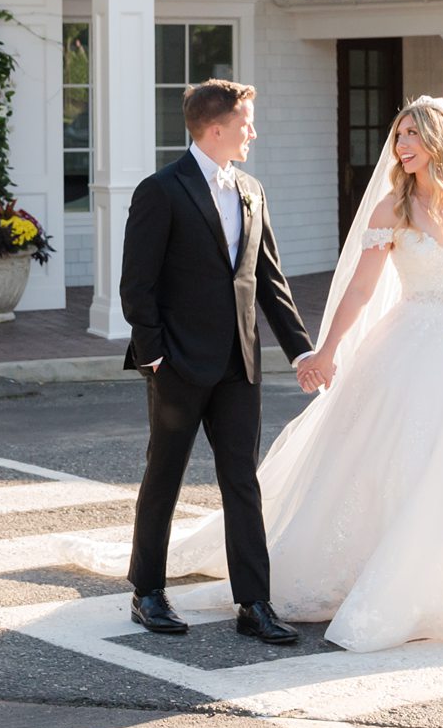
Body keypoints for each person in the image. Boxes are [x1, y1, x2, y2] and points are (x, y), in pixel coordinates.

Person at [145, 96, 443, 652]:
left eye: (411, 137)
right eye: (398, 136)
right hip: (409, 344)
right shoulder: (391, 210)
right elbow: (359, 288)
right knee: (402, 462)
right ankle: (386, 580)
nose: (400, 147)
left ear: (438, 142)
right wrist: (324, 351)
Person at [117, 78, 315, 645]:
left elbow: (269, 280)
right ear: (217, 127)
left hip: (238, 366)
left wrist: (301, 349)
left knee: (242, 483)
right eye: (247, 121)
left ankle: (254, 603)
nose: (253, 131)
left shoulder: (251, 189)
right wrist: (154, 357)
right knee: (164, 476)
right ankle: (147, 591)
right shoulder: (161, 190)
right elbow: (138, 285)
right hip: (176, 364)